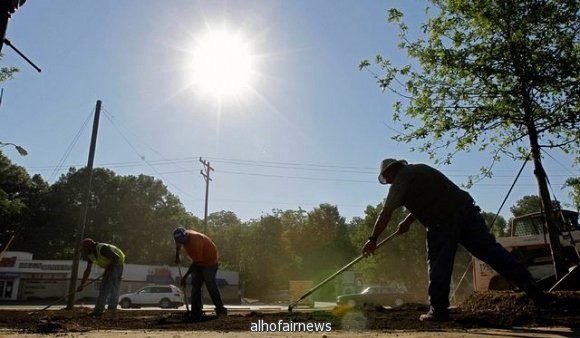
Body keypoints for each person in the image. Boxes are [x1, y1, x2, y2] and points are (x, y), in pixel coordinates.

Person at [362, 158, 547, 322]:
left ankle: (438, 310)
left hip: (441, 220)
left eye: (387, 178)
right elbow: (433, 197)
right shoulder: (421, 169)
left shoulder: (401, 178)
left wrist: (372, 239)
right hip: (466, 210)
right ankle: (530, 285)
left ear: (390, 170)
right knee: (490, 250)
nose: (388, 182)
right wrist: (408, 221)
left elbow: (386, 212)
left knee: (438, 263)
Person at [173, 227, 227, 321]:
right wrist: (177, 256)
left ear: (186, 235)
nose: (183, 243)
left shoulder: (196, 241)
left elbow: (195, 263)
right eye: (181, 241)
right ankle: (196, 311)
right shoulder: (180, 238)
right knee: (195, 286)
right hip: (198, 262)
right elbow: (178, 245)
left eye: (184, 241)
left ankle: (220, 309)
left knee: (210, 284)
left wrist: (185, 277)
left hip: (209, 262)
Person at [77, 238, 125, 316]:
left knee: (113, 286)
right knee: (104, 287)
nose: (84, 252)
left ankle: (111, 309)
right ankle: (98, 310)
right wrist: (82, 284)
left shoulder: (102, 248)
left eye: (84, 250)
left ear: (89, 247)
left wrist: (108, 270)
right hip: (109, 266)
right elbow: (87, 270)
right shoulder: (90, 255)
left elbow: (116, 258)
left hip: (117, 264)